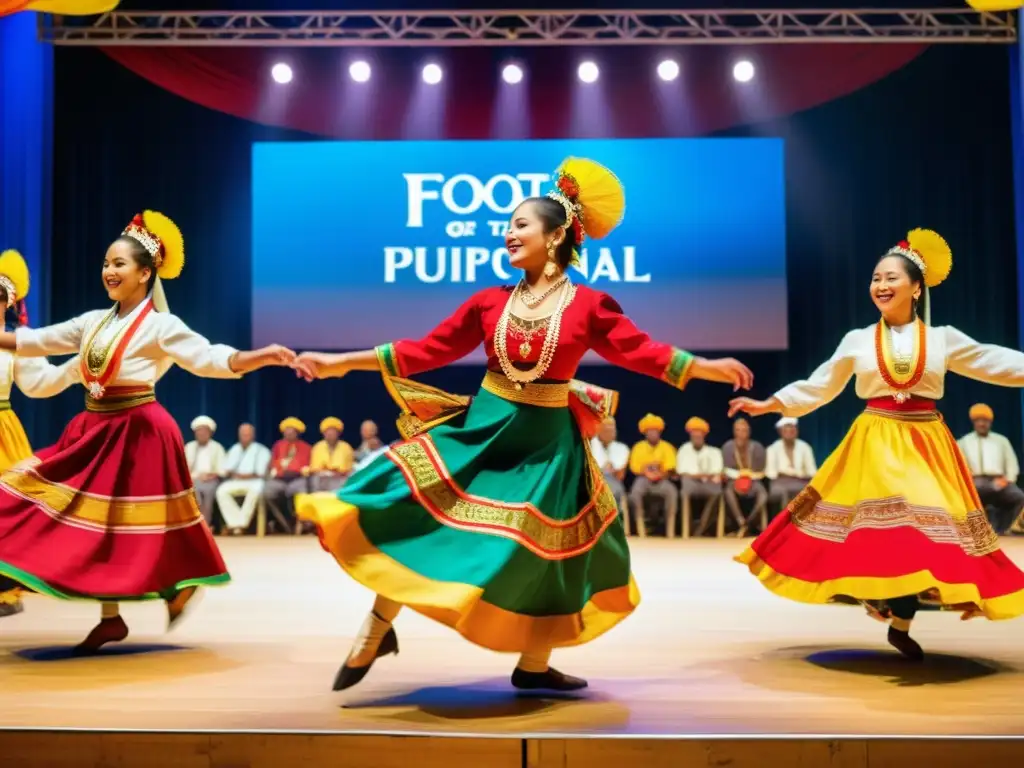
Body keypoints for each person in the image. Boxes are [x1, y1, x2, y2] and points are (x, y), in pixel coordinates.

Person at [291, 157, 753, 692]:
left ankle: (533, 666)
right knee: (418, 513)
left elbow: (639, 351)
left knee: (545, 552)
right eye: (507, 226)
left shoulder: (589, 305)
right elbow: (426, 350)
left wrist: (702, 367)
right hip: (482, 433)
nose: (506, 234)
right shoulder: (489, 301)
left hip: (546, 447)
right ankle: (376, 629)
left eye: (519, 225)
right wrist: (339, 361)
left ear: (555, 236)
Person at [0, 211, 295, 652]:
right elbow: (37, 340)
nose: (109, 271)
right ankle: (114, 616)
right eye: (106, 263)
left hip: (138, 430)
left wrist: (257, 356)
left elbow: (209, 357)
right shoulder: (93, 322)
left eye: (119, 264)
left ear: (145, 273)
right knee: (94, 524)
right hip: (95, 427)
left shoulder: (161, 325)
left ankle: (161, 593)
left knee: (129, 527)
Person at [729, 228, 1024, 660]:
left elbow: (993, 360)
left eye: (890, 278)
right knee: (888, 532)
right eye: (875, 279)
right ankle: (884, 602)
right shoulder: (857, 339)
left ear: (916, 288)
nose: (880, 286)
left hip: (926, 443)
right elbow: (821, 384)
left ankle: (900, 621)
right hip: (875, 443)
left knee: (927, 533)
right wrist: (770, 404)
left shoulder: (943, 338)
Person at [0, 249, 82, 617]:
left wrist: (78, 367)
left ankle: (3, 588)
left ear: (8, 303)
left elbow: (41, 384)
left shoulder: (17, 344)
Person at [958, 404, 1024, 534]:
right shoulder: (964, 442)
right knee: (975, 491)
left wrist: (1007, 480)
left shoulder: (1001, 441)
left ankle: (1002, 528)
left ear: (990, 422)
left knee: (1018, 497)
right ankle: (978, 531)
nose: (982, 424)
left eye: (985, 421)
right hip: (974, 482)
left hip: (1000, 481)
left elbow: (1012, 464)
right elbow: (959, 466)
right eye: (979, 421)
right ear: (974, 422)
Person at [216, 423, 272, 534]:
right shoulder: (235, 449)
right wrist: (232, 474)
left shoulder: (261, 450)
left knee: (254, 492)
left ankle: (240, 525)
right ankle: (236, 524)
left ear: (253, 435)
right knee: (221, 491)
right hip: (236, 481)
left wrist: (243, 475)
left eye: (247, 434)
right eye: (242, 434)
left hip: (254, 481)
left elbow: (260, 473)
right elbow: (225, 469)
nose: (244, 437)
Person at [628, 414, 678, 537]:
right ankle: (641, 529)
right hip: (643, 479)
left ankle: (670, 530)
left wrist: (660, 474)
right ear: (645, 432)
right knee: (635, 492)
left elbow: (670, 468)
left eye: (655, 431)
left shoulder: (667, 447)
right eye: (650, 431)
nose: (653, 433)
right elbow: (635, 467)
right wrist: (647, 473)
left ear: (659, 432)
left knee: (672, 492)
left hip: (662, 480)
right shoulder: (638, 447)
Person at [676, 417, 724, 537]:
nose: (697, 437)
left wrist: (706, 476)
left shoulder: (714, 452)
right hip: (691, 482)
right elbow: (682, 472)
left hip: (707, 483)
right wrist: (703, 475)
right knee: (685, 489)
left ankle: (701, 527)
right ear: (690, 435)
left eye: (699, 434)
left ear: (704, 435)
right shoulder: (684, 449)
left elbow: (717, 471)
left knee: (717, 491)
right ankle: (688, 528)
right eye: (694, 434)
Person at [722, 418, 767, 535]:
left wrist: (749, 474)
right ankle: (740, 521)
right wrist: (740, 475)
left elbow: (761, 471)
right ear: (734, 432)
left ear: (749, 432)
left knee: (763, 494)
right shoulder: (728, 447)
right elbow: (726, 469)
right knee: (728, 491)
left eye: (744, 430)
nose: (741, 433)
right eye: (738, 430)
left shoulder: (757, 447)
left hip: (753, 481)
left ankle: (749, 522)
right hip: (734, 481)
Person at [765, 416, 816, 514]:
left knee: (810, 493)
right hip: (780, 482)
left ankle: (804, 525)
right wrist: (792, 473)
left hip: (801, 481)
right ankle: (784, 524)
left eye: (793, 428)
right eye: (786, 429)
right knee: (782, 492)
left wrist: (791, 473)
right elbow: (771, 473)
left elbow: (812, 471)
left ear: (796, 431)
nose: (790, 431)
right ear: (780, 432)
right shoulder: (772, 449)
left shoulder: (805, 447)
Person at [185, 415, 226, 527]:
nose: (201, 434)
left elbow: (222, 470)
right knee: (194, 490)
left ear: (210, 433)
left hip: (211, 480)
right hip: (193, 479)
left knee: (208, 491)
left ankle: (205, 525)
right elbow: (183, 468)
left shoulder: (217, 447)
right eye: (199, 431)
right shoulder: (189, 447)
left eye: (204, 431)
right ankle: (195, 524)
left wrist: (211, 475)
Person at [304, 417, 355, 493]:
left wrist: (336, 472)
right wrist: (324, 472)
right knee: (314, 480)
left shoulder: (346, 447)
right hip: (321, 478)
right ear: (323, 433)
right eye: (327, 431)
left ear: (338, 433)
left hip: (339, 479)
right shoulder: (317, 447)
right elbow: (314, 469)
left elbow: (348, 470)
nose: (330, 434)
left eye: (333, 431)